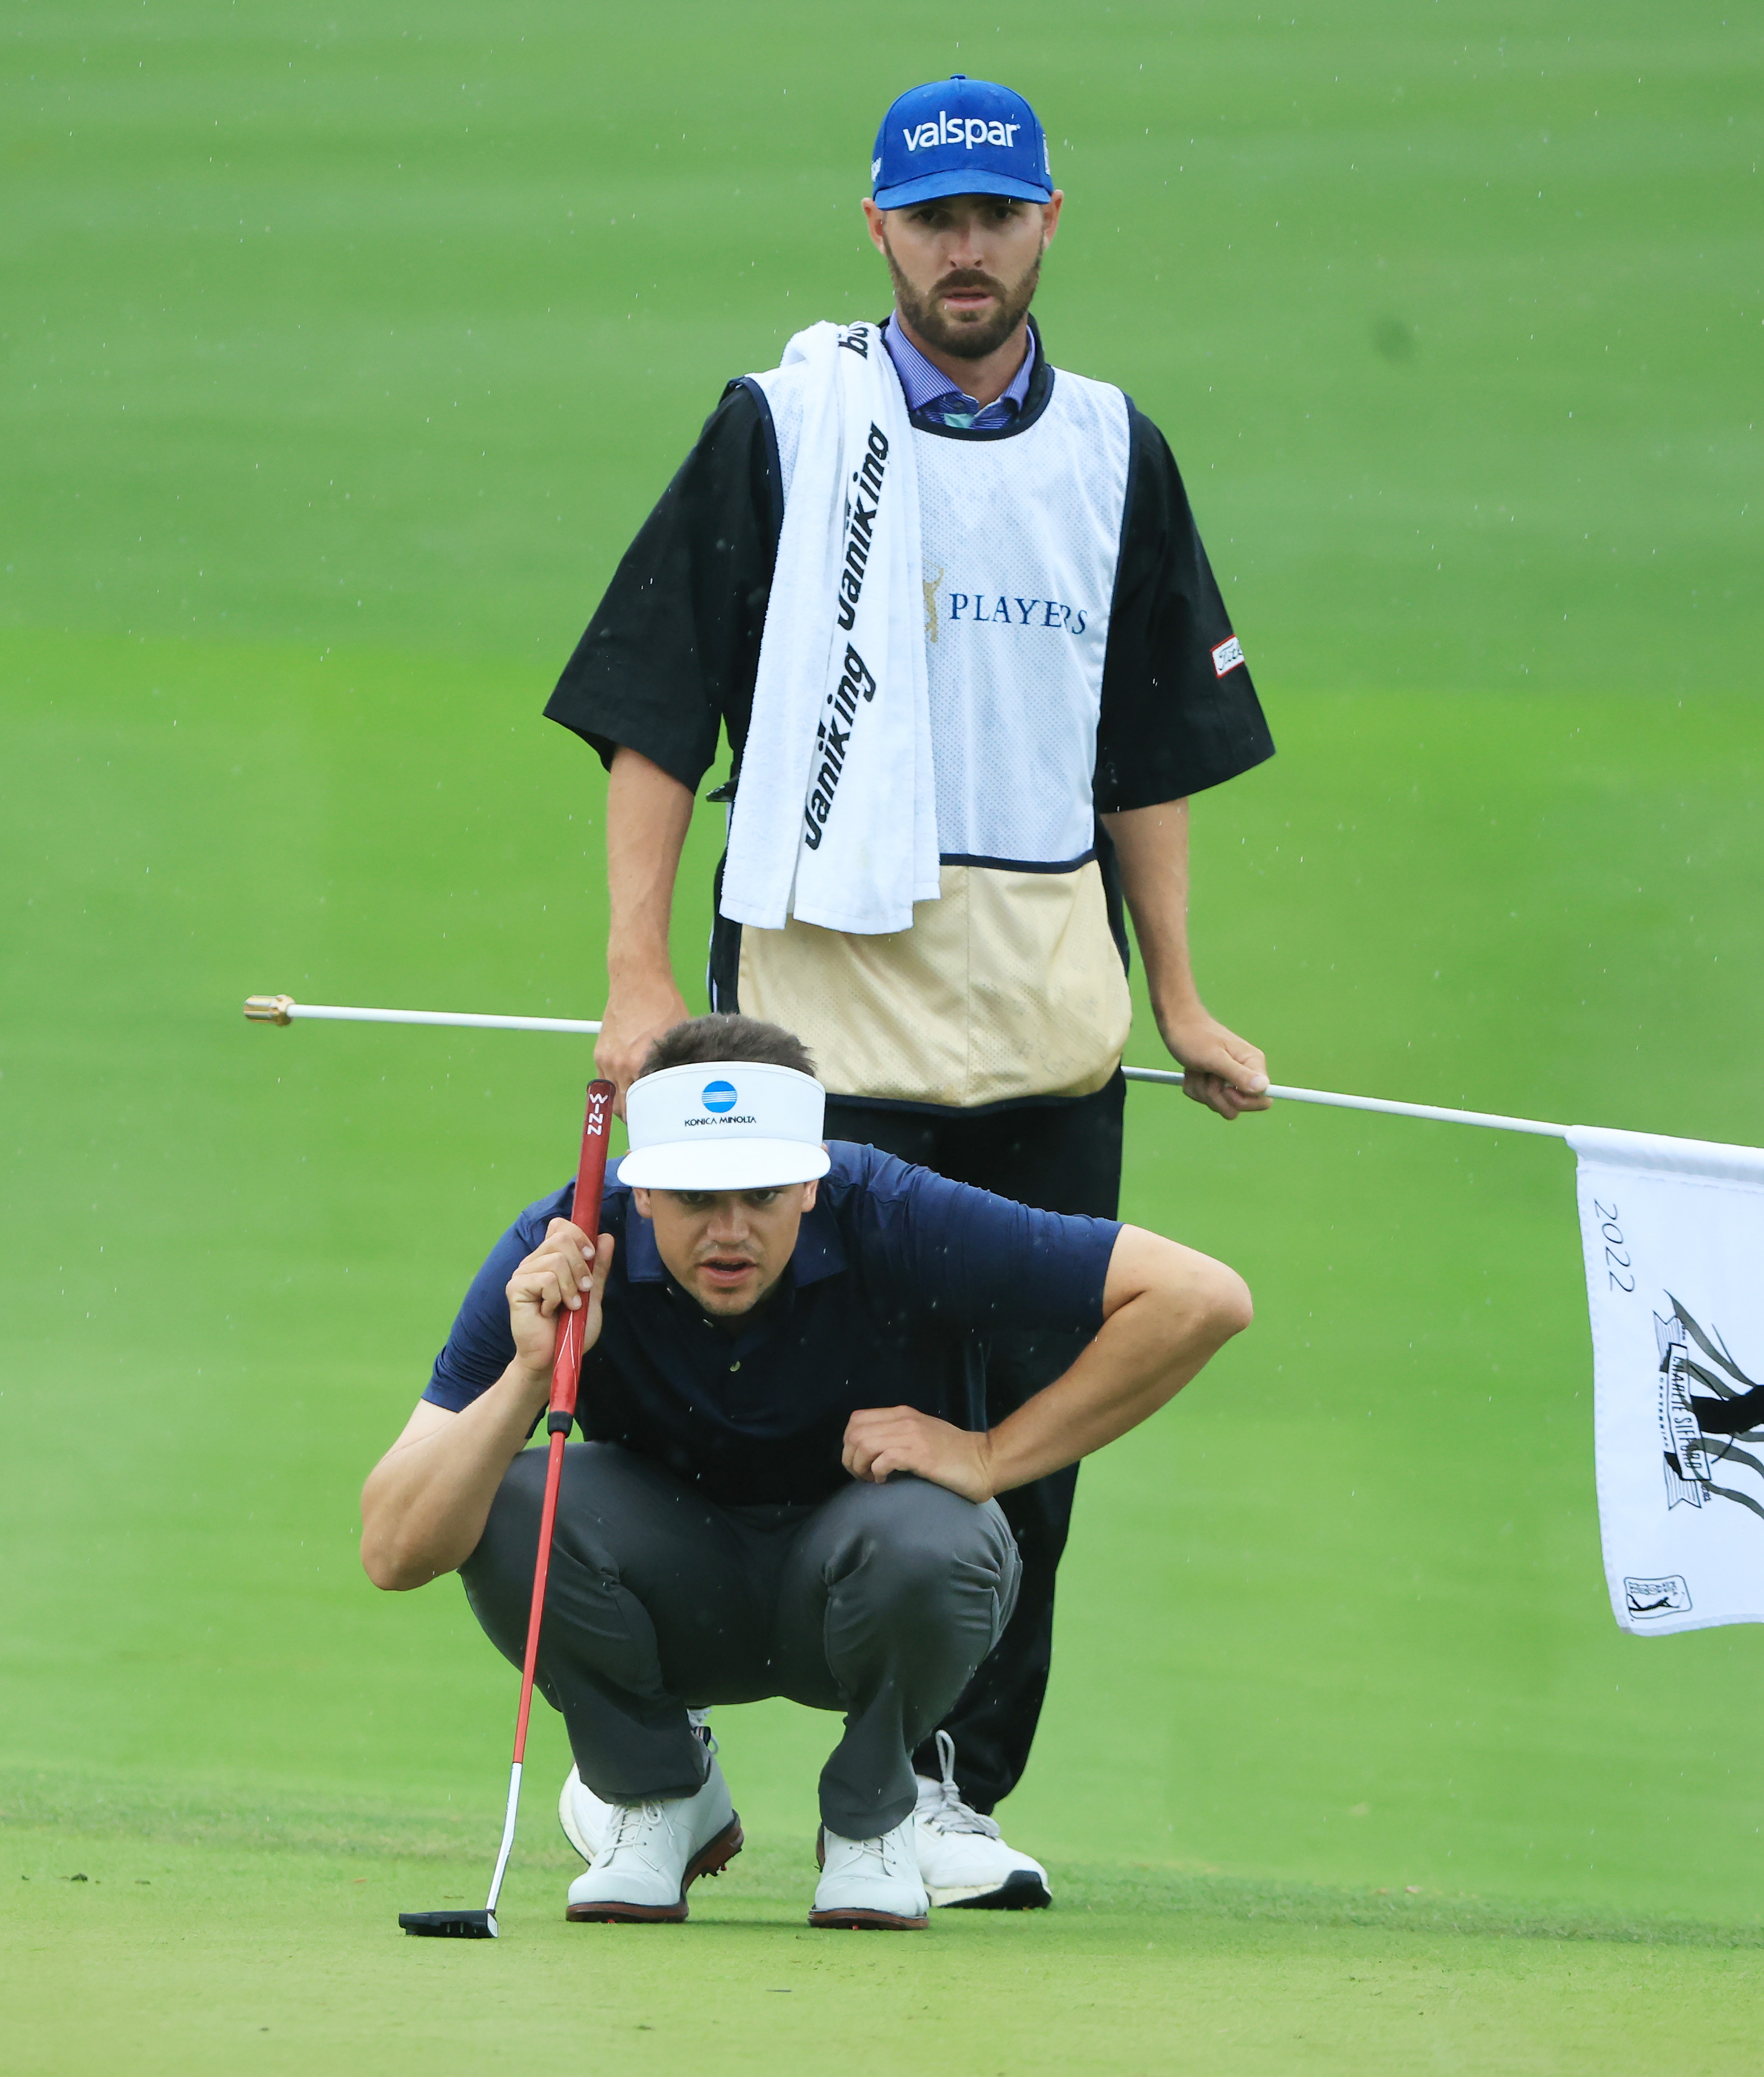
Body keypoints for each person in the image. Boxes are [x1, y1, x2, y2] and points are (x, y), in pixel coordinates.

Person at [541, 73, 1277, 1905]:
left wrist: (1183, 997)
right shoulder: (784, 425)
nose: (967, 251)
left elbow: (1147, 747)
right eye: (935, 220)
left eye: (996, 217)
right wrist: (636, 969)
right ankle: (667, 1760)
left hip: (1043, 1022)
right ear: (877, 228)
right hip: (820, 1018)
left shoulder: (1113, 448)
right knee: (765, 1399)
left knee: (1026, 1430)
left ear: (1047, 225)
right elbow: (654, 706)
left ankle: (937, 1788)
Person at [359, 1015, 1251, 1929]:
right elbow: (393, 1550)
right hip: (675, 1591)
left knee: (940, 1535)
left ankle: (874, 1818)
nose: (730, 1232)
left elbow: (1200, 1297)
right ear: (644, 1191)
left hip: (865, 1587)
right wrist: (529, 1374)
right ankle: (657, 1795)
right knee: (514, 1499)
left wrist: (988, 1456)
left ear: (812, 1182)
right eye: (696, 1197)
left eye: (763, 1193)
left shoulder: (894, 1210)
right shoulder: (569, 1246)